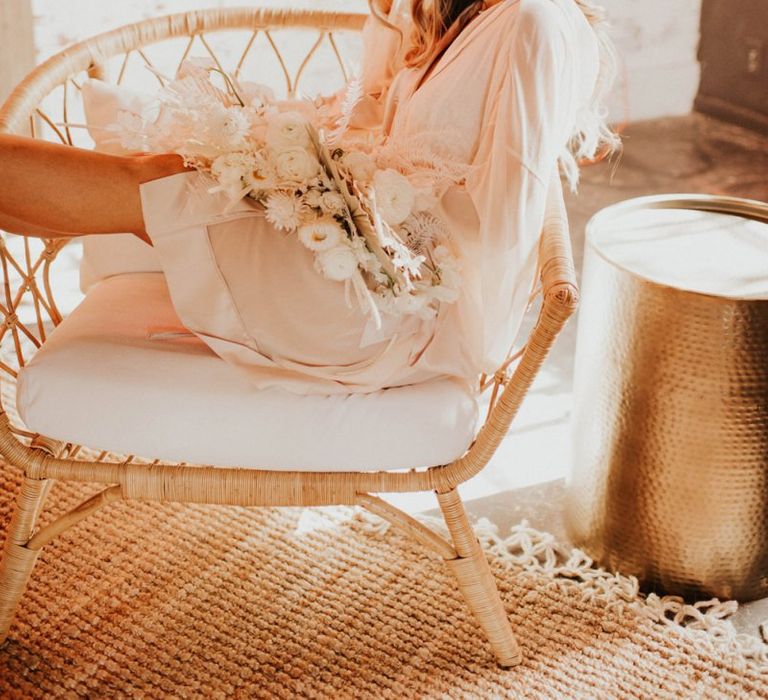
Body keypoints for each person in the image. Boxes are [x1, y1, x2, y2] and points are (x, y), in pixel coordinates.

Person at [0, 0, 617, 395]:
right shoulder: (447, 11)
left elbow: (503, 229)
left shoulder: (532, 23)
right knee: (173, 176)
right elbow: (369, 118)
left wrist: (357, 197)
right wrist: (293, 160)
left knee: (163, 181)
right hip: (341, 242)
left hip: (387, 310)